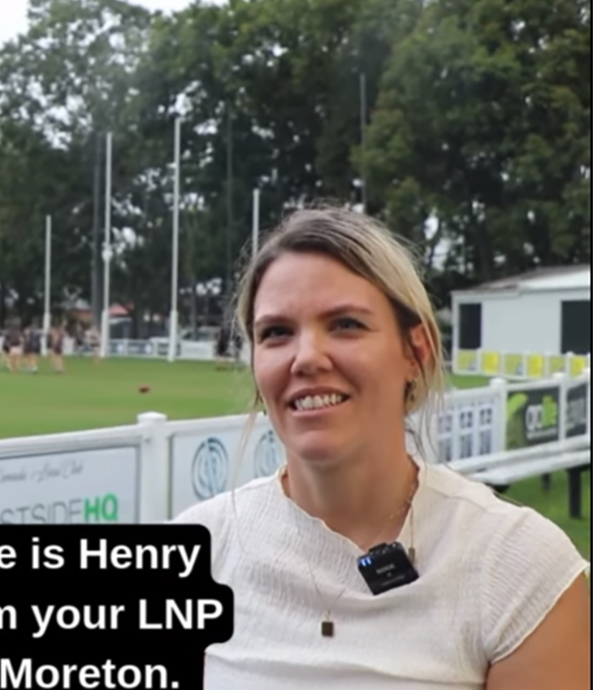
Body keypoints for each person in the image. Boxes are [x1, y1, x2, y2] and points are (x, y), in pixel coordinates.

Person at [172, 206, 590, 688]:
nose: (307, 357)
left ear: (415, 352)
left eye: (346, 324)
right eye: (277, 333)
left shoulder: (516, 566)